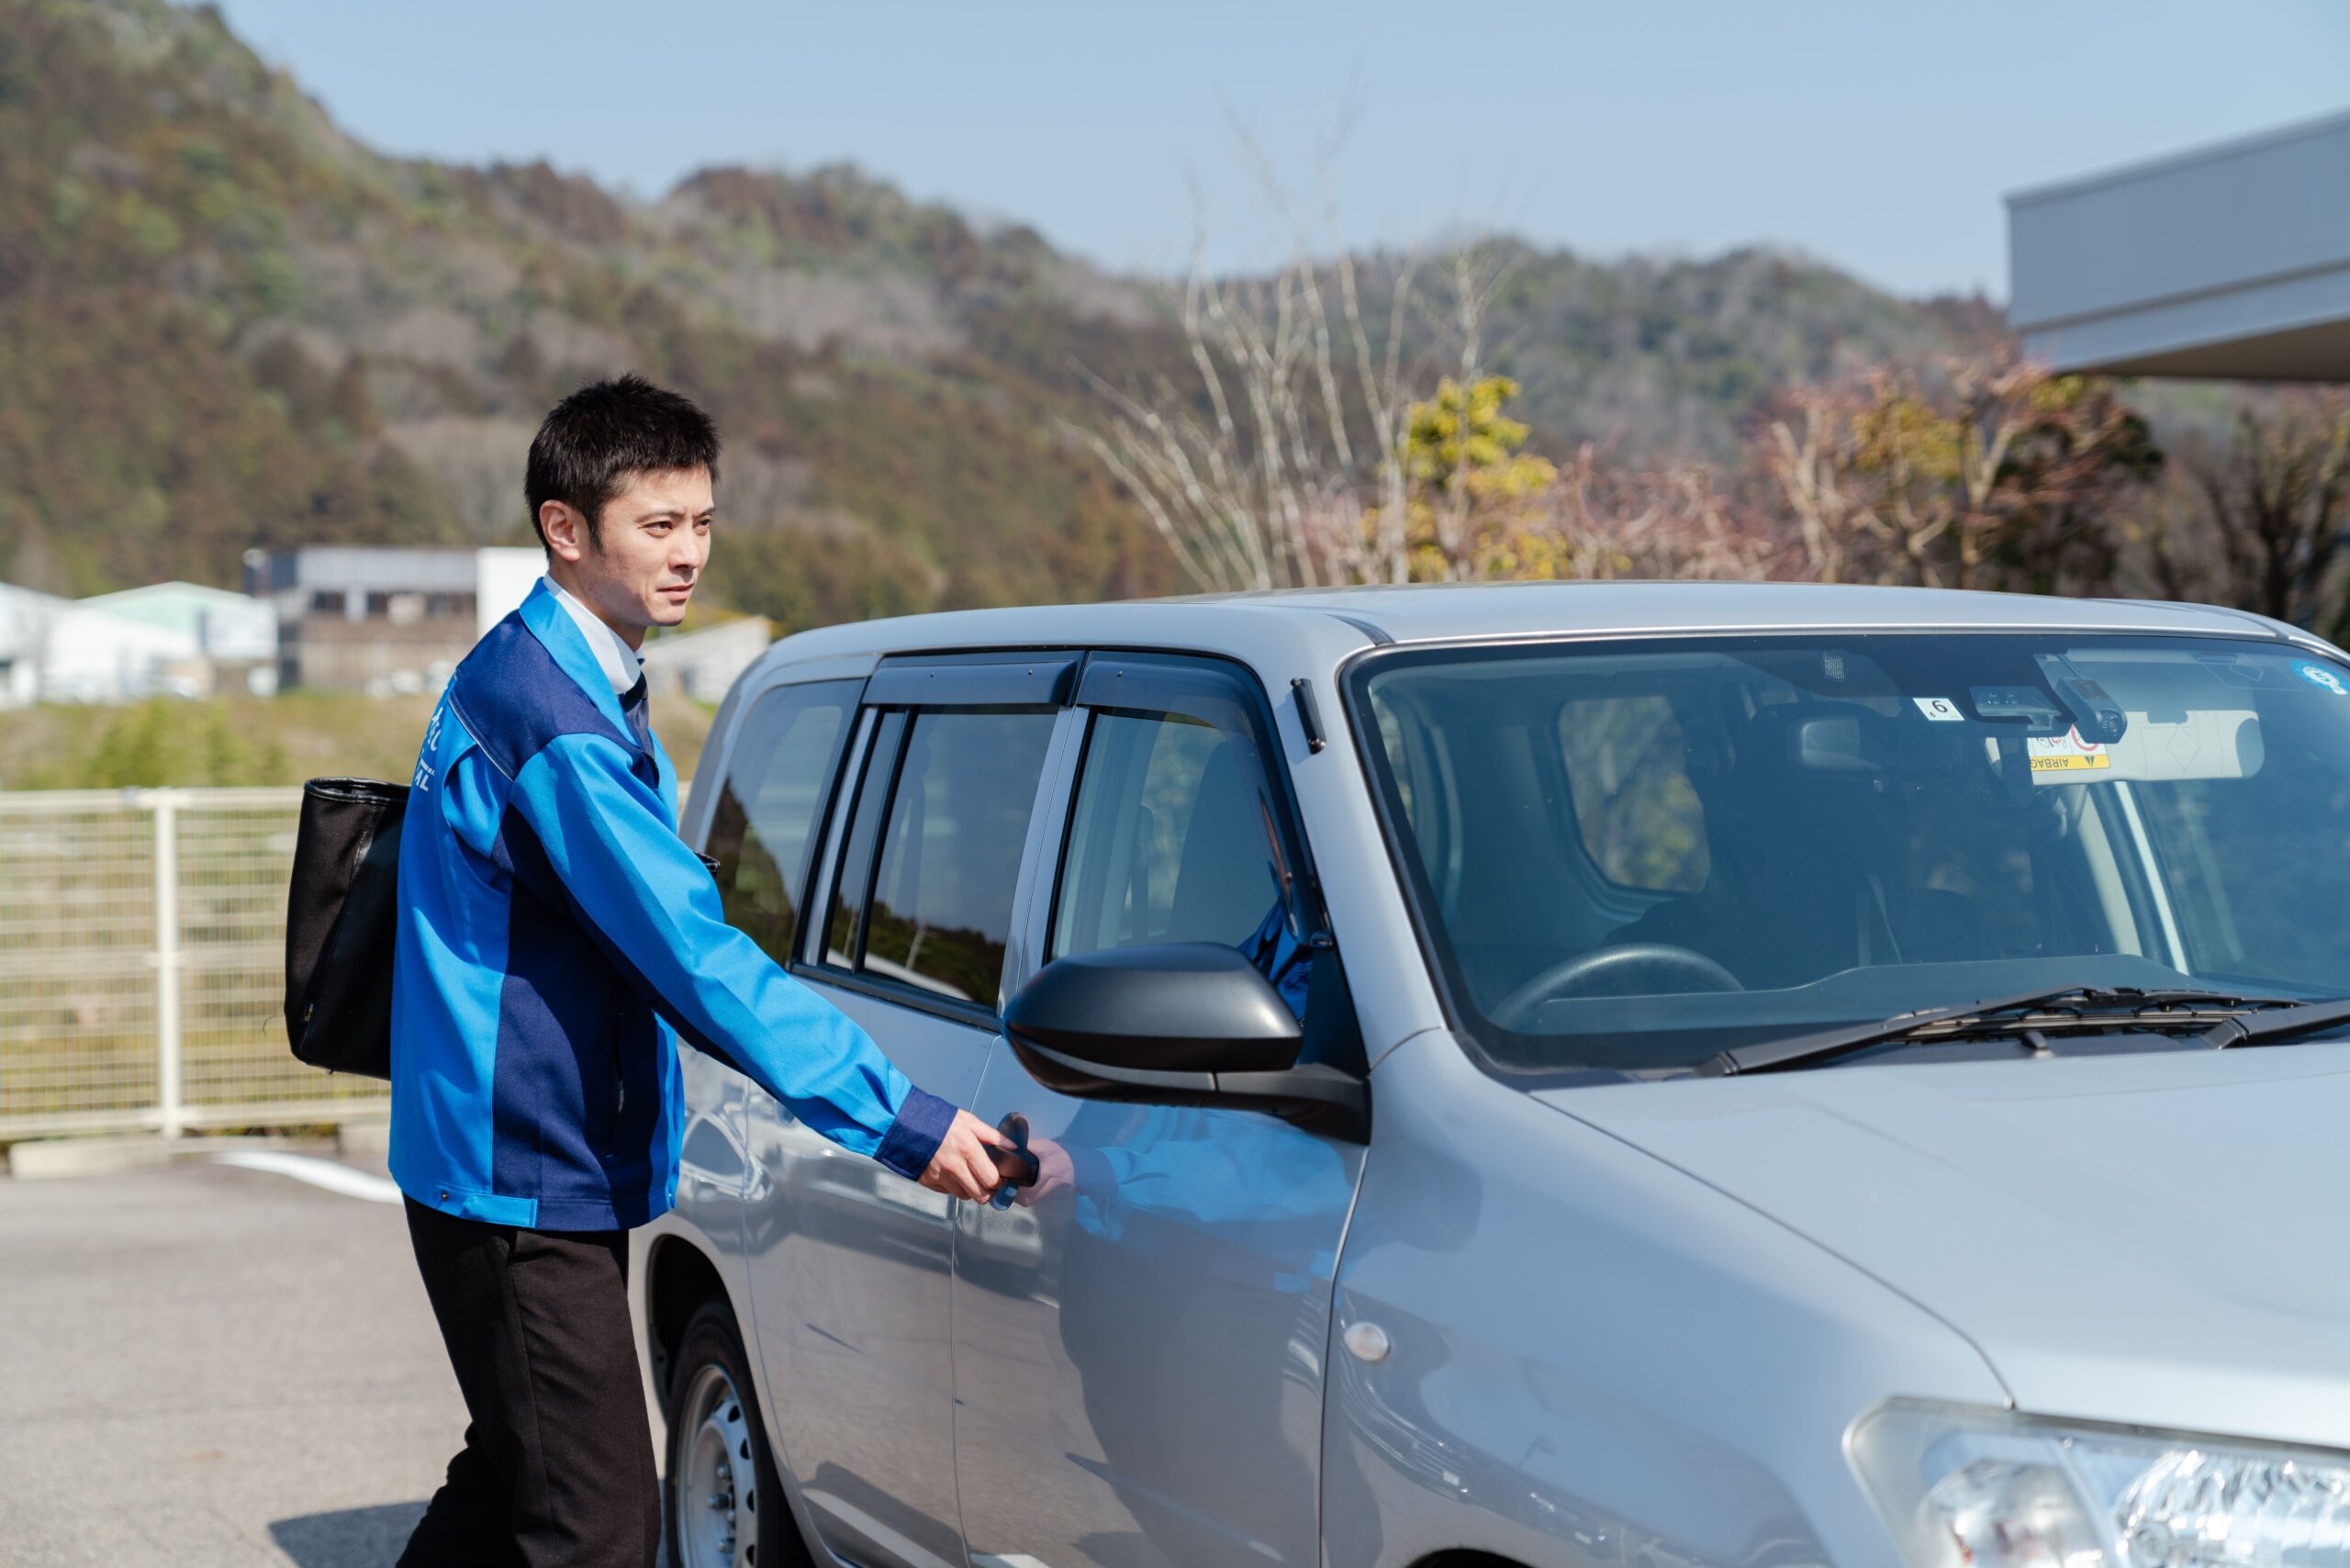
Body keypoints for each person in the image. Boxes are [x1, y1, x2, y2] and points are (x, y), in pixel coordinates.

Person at [386, 375, 1012, 1566]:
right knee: (599, 1521)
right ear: (566, 530)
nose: (690, 555)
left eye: (704, 523)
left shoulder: (555, 670)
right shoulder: (553, 715)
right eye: (658, 526)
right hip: (519, 1177)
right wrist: (901, 1118)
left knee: (519, 1471)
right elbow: (696, 958)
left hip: (505, 1157)